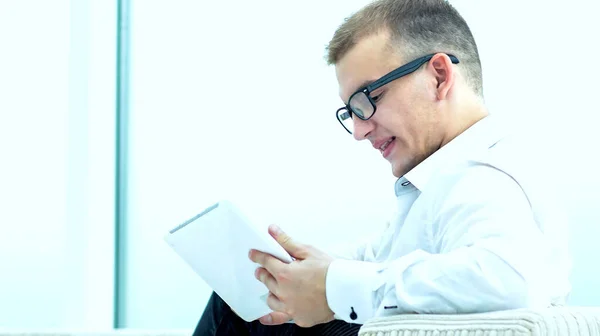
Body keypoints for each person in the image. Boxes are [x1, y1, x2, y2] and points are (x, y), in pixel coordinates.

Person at [193, 0, 571, 334]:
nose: (359, 130)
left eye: (369, 98)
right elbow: (378, 258)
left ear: (439, 76)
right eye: (351, 112)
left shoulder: (480, 175)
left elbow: (508, 278)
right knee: (256, 297)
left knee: (234, 311)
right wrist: (307, 271)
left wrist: (331, 287)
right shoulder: (444, 178)